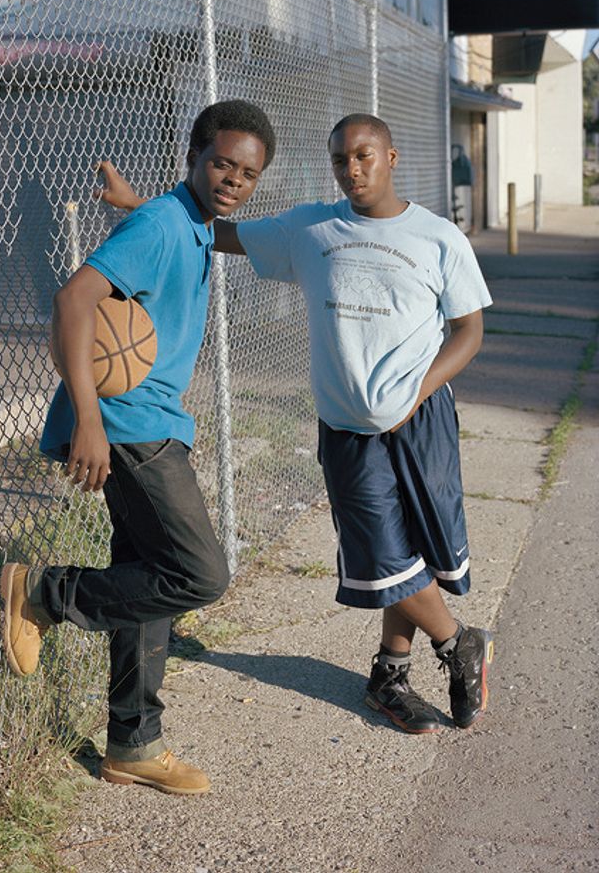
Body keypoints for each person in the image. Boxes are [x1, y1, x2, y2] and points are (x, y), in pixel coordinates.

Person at [99, 113, 495, 734]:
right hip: (346, 425)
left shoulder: (438, 237)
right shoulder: (310, 227)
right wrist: (138, 204)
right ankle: (457, 643)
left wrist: (418, 392)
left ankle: (390, 672)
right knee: (382, 553)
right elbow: (220, 231)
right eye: (341, 159)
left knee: (411, 551)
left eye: (364, 156)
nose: (352, 169)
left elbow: (469, 330)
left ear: (391, 157)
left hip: (420, 418)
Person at [0, 100, 276, 794]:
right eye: (221, 163)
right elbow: (73, 300)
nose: (233, 180)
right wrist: (87, 423)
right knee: (199, 574)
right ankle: (43, 593)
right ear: (194, 154)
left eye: (247, 174)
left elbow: (205, 229)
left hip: (150, 422)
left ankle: (133, 743)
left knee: (147, 576)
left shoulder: (186, 220)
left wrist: (138, 202)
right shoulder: (161, 224)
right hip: (129, 427)